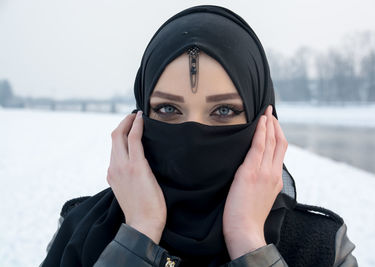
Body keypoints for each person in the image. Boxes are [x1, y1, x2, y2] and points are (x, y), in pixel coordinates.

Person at [40, 5, 357, 267]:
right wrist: (138, 234)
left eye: (223, 111)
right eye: (167, 109)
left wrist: (248, 242)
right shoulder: (79, 232)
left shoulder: (321, 248)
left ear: (264, 123)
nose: (193, 136)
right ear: (138, 119)